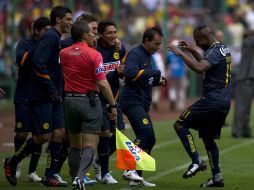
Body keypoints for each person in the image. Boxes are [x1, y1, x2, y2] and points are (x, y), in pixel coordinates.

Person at [4, 6, 72, 187]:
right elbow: (38, 63)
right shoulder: (50, 37)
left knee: (59, 132)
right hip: (42, 95)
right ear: (58, 20)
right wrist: (50, 88)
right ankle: (13, 161)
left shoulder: (57, 38)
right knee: (42, 136)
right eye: (68, 19)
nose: (70, 22)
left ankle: (50, 175)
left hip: (54, 95)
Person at [168, 25, 231, 187]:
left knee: (180, 124)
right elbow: (206, 61)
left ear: (204, 37)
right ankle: (217, 177)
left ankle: (196, 160)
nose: (197, 43)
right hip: (223, 102)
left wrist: (181, 54)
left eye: (197, 40)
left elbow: (199, 67)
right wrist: (192, 51)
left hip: (212, 100)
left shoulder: (213, 51)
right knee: (208, 139)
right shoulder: (223, 48)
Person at [60, 20, 117, 190]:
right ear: (85, 35)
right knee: (91, 145)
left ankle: (76, 179)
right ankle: (80, 179)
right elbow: (103, 83)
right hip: (89, 101)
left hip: (69, 101)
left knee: (75, 145)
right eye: (92, 33)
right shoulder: (94, 54)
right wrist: (113, 104)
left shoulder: (63, 53)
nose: (94, 36)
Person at [120, 26, 167, 187]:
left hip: (141, 101)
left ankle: (136, 179)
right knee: (145, 132)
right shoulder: (135, 53)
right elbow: (131, 73)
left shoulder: (148, 54)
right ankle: (128, 168)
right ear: (146, 41)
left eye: (160, 44)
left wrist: (157, 81)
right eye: (156, 44)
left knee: (150, 139)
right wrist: (154, 72)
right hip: (131, 101)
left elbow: (143, 78)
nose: (158, 47)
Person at [11, 16, 51, 182]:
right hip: (24, 95)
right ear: (36, 31)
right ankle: (17, 159)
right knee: (22, 133)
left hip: (42, 96)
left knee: (39, 133)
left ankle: (32, 171)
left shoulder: (53, 46)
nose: (50, 35)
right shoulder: (25, 44)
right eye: (46, 31)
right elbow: (21, 61)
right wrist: (40, 48)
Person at [95, 19, 126, 184]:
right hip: (98, 99)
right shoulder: (94, 49)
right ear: (100, 34)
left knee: (120, 135)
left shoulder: (120, 49)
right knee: (104, 133)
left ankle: (99, 162)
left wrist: (121, 73)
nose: (113, 35)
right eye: (109, 33)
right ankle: (105, 173)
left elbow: (122, 75)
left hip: (115, 98)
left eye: (115, 32)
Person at [232, 30, 254, 138]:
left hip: (249, 78)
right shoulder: (247, 42)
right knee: (242, 107)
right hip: (244, 78)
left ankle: (245, 130)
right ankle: (237, 131)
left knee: (246, 107)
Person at [166, 39, 188, 111]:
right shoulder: (181, 53)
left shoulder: (169, 54)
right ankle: (180, 104)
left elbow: (167, 64)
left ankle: (172, 98)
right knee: (181, 89)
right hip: (181, 73)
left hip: (172, 73)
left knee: (173, 88)